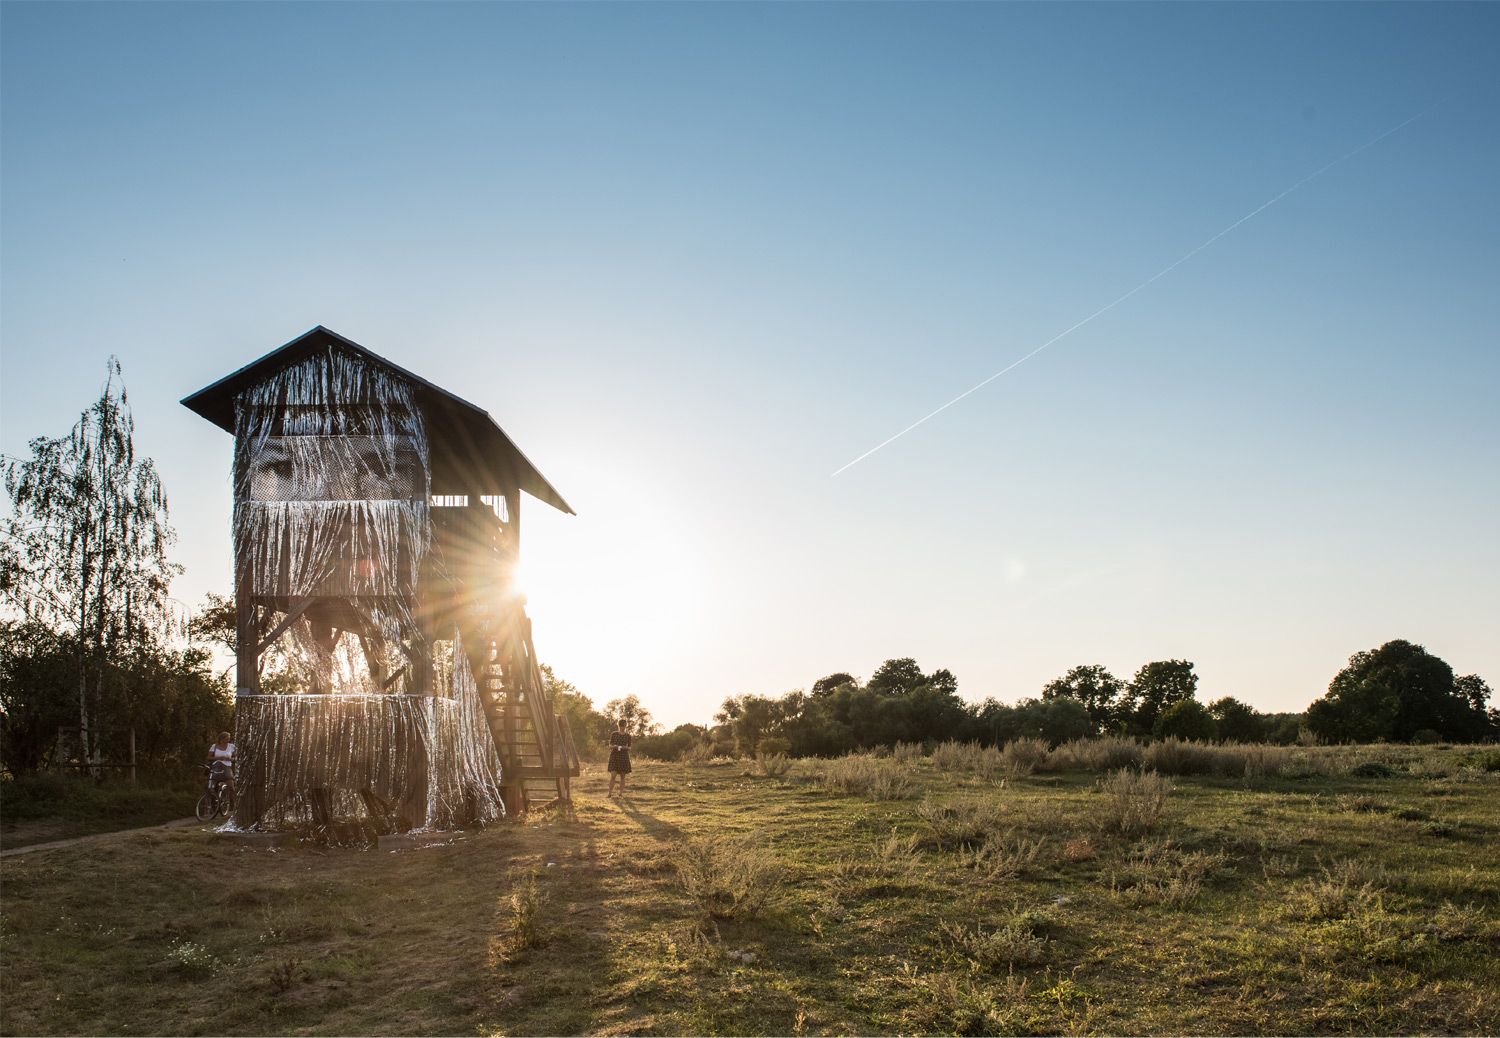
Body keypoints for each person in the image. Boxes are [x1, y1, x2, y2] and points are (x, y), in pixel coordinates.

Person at [207, 731, 237, 807]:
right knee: (210, 788)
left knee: (231, 787)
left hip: (226, 767)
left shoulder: (231, 746)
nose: (228, 740)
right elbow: (209, 757)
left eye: (228, 739)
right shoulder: (214, 746)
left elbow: (235, 757)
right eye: (226, 739)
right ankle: (208, 807)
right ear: (222, 739)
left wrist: (231, 759)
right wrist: (219, 758)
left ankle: (236, 806)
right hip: (216, 766)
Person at [606, 718, 632, 798]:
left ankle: (621, 794)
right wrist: (615, 746)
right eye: (621, 725)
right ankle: (609, 793)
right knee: (613, 775)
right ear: (618, 726)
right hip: (615, 755)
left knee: (622, 776)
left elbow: (630, 748)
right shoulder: (614, 734)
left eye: (623, 726)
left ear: (625, 726)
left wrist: (625, 747)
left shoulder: (628, 736)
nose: (622, 727)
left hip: (623, 756)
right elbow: (610, 745)